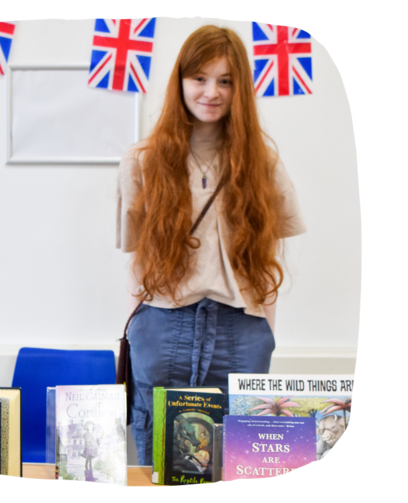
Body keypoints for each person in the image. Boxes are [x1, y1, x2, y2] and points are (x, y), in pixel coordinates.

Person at [116, 25, 306, 466]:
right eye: (200, 78)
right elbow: (137, 260)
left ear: (240, 88)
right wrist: (133, 331)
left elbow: (268, 257)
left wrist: (267, 334)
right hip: (163, 323)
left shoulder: (263, 161)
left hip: (242, 327)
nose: (211, 92)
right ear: (180, 81)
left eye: (225, 81)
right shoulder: (143, 160)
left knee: (237, 458)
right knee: (160, 455)